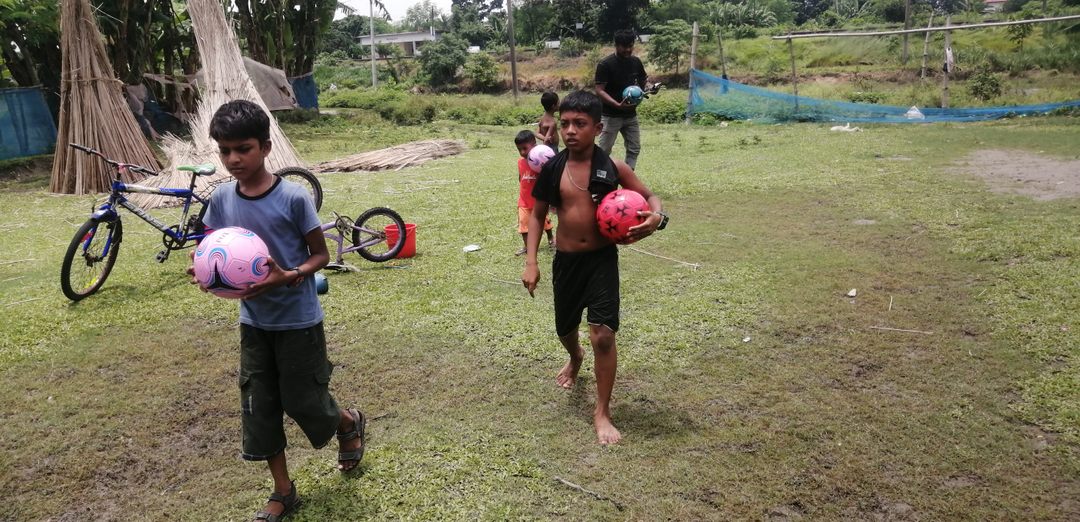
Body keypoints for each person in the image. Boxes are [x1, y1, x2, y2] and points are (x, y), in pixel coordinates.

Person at [190, 100, 366, 522]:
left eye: (243, 149)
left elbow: (320, 255)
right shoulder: (222, 199)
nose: (234, 159)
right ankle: (283, 491)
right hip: (254, 322)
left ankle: (346, 422)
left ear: (266, 147)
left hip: (298, 320)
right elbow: (212, 244)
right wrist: (204, 269)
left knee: (303, 399)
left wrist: (289, 275)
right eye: (225, 150)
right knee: (259, 405)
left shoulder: (292, 197)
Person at [521, 90, 668, 445]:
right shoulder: (552, 168)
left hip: (602, 260)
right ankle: (574, 357)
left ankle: (602, 412)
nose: (570, 131)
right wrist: (531, 261)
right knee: (565, 328)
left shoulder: (613, 167)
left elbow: (651, 197)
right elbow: (537, 216)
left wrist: (656, 217)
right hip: (566, 262)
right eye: (565, 124)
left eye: (580, 124)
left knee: (603, 335)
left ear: (598, 128)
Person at [594, 29, 651, 170]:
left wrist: (650, 88)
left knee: (634, 148)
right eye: (624, 46)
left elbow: (644, 81)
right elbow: (599, 90)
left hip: (630, 115)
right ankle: (599, 178)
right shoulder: (605, 64)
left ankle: (628, 176)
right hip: (610, 116)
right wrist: (617, 105)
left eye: (630, 46)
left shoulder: (636, 62)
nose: (628, 50)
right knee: (604, 150)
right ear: (616, 45)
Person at [515, 130, 554, 255]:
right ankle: (528, 247)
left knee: (545, 221)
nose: (522, 152)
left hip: (538, 200)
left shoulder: (540, 162)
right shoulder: (520, 162)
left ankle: (551, 238)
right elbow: (521, 177)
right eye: (519, 149)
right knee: (523, 224)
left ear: (534, 145)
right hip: (524, 201)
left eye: (525, 148)